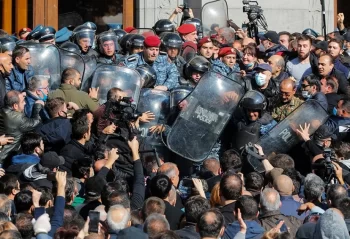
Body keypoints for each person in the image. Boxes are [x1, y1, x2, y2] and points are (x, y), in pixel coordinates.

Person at [0, 91, 42, 163]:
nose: (25, 103)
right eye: (22, 102)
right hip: (5, 159)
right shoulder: (17, 118)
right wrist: (38, 106)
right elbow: (36, 122)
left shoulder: (2, 111)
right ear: (15, 106)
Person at [59, 110, 94, 174]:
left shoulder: (80, 146)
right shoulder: (70, 152)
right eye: (89, 130)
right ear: (85, 135)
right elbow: (63, 173)